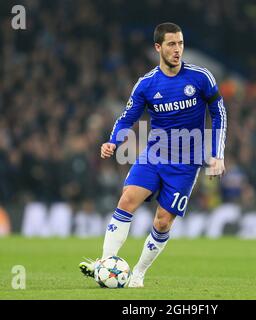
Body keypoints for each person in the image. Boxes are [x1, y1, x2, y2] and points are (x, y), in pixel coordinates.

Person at [79, 22, 227, 288]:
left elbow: (219, 113)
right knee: (126, 200)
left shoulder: (201, 77)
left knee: (162, 222)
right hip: (154, 155)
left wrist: (217, 154)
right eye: (171, 44)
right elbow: (127, 119)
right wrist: (113, 142)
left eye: (180, 43)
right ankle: (104, 264)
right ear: (158, 47)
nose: (177, 49)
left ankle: (138, 273)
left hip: (185, 163)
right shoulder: (147, 84)